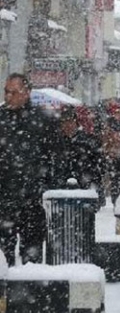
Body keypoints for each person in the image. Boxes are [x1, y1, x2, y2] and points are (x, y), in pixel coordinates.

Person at [0, 73, 57, 266]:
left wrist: (46, 187)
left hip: (33, 201)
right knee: (2, 256)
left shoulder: (43, 120)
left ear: (26, 93)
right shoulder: (1, 119)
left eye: (14, 92)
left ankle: (29, 292)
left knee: (31, 260)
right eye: (6, 92)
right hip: (4, 199)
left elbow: (56, 158)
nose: (8, 97)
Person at [54, 107, 103, 190]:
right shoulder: (57, 143)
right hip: (63, 190)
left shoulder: (88, 141)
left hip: (87, 188)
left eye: (70, 122)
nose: (67, 125)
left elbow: (98, 165)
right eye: (64, 123)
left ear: (76, 123)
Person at [102, 101, 120, 207]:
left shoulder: (119, 124)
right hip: (114, 156)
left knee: (117, 179)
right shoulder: (109, 125)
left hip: (117, 156)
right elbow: (106, 141)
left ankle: (116, 197)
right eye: (117, 111)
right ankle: (116, 198)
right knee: (116, 179)